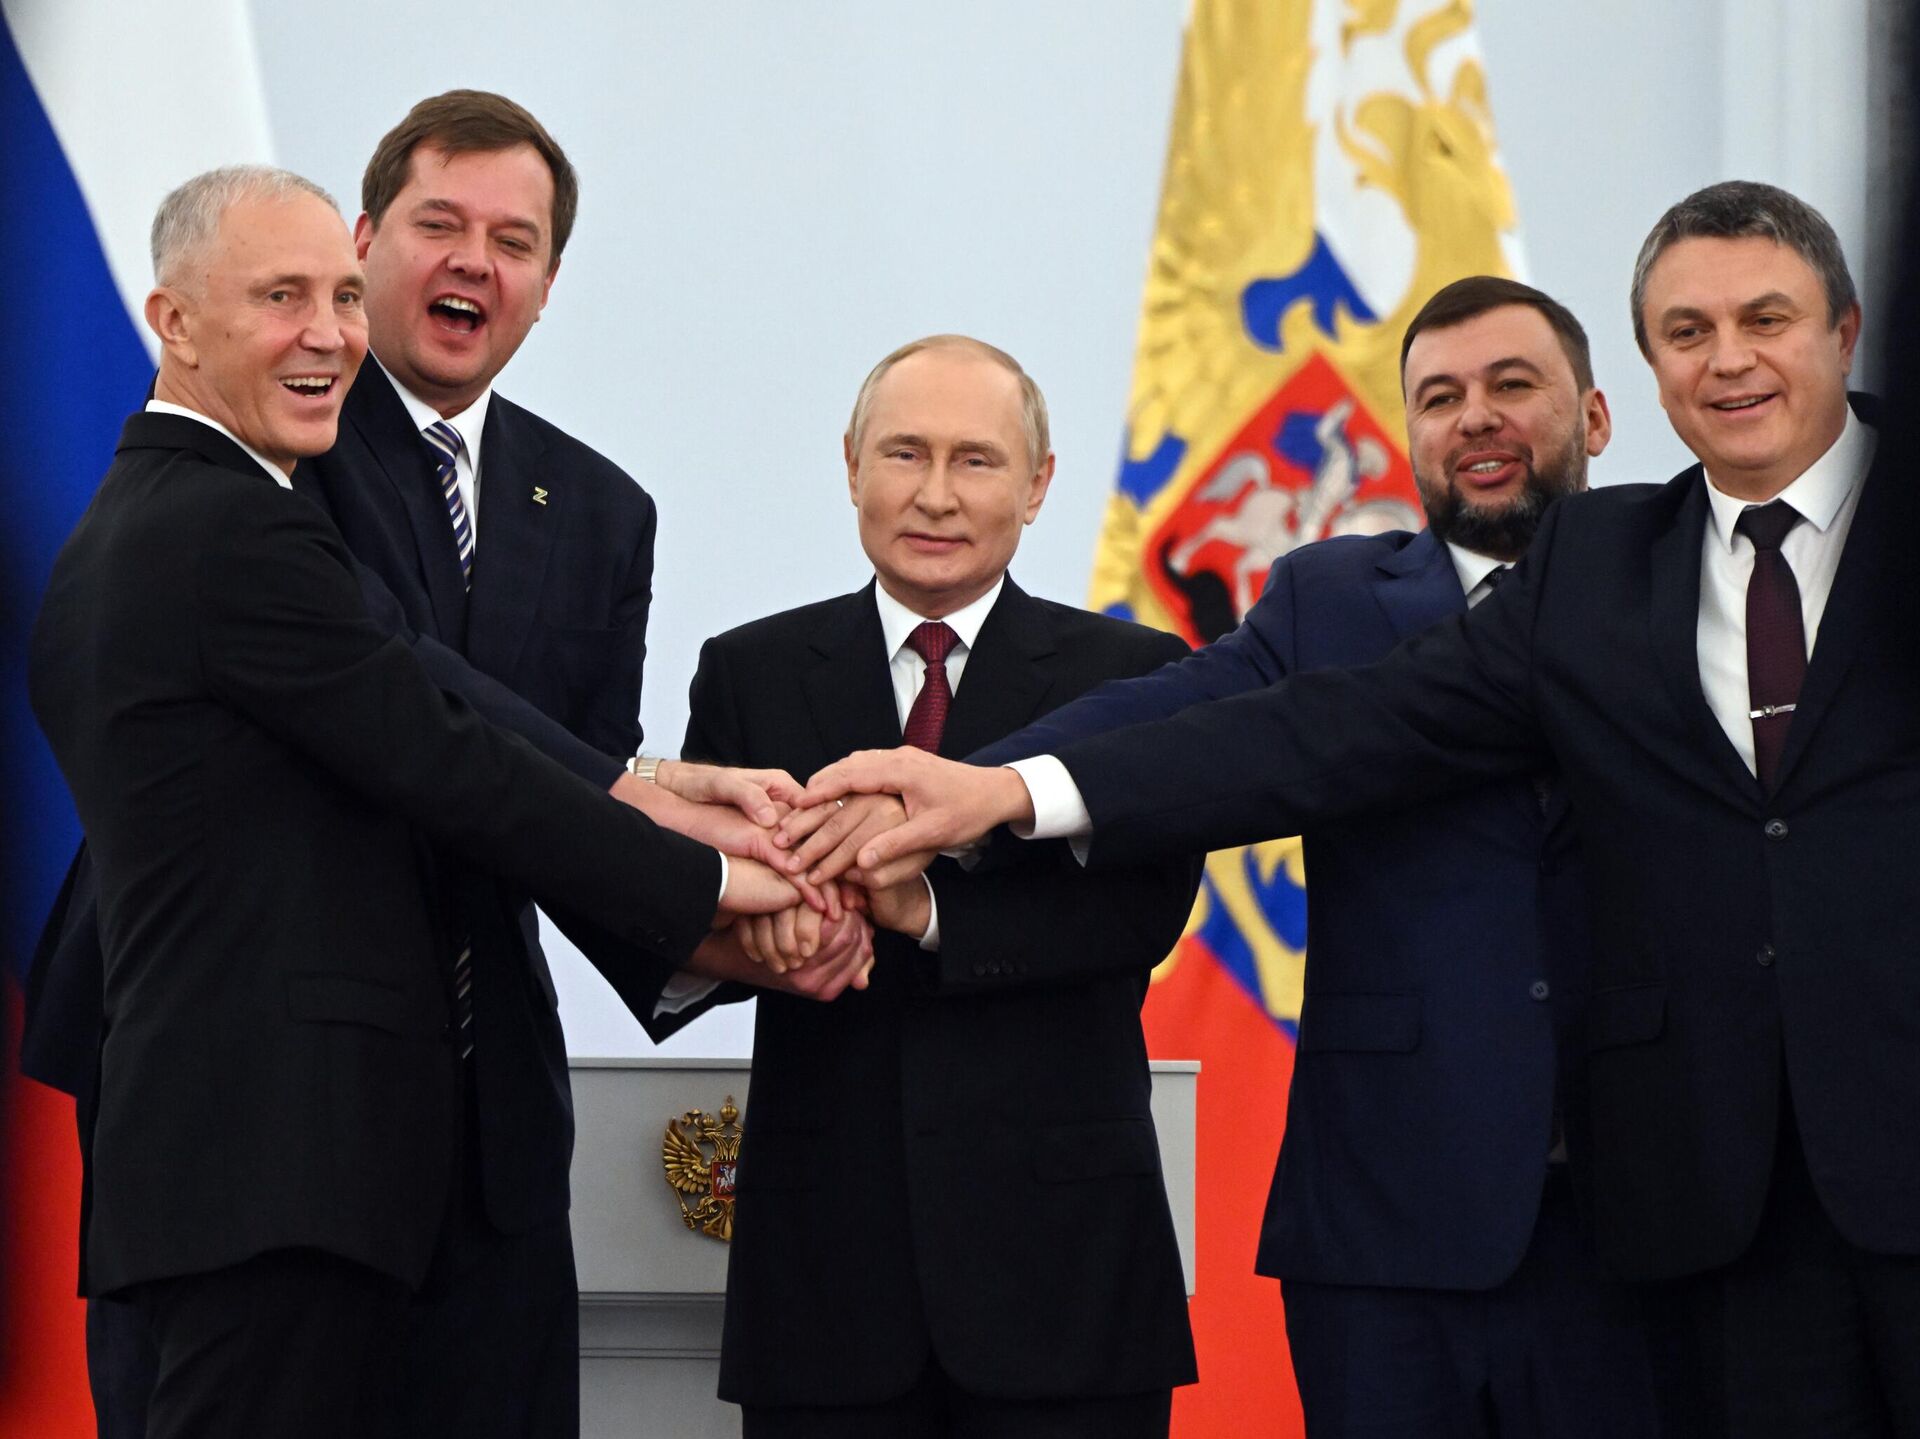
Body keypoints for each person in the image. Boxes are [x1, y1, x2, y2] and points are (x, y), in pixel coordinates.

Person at [787, 182, 1920, 1437]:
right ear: (1655, 366)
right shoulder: (1593, 571)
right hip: (1484, 1221)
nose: (1728, 358)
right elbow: (1289, 727)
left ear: (1846, 330)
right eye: (1689, 331)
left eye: (1765, 318)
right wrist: (1000, 786)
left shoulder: (1684, 549)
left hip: (1704, 1191)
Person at [26, 165, 839, 1439]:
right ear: (174, 322)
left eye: (339, 298)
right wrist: (726, 883)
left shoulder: (182, 511)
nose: (327, 332)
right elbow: (445, 753)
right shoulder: (234, 521)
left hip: (351, 1158)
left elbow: (468, 734)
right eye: (282, 296)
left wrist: (658, 804)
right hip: (267, 1158)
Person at [933, 276, 1651, 1436]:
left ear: (1598, 417)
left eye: (1512, 384)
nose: (1474, 416)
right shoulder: (1334, 599)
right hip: (1389, 1228)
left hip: (1650, 1223)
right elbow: (1179, 717)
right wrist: (972, 789)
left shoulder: (1684, 582)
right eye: (1439, 397)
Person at [683, 334, 1201, 1438]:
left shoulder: (1133, 674)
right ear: (851, 465)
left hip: (1064, 1279)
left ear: (1038, 485)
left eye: (975, 460)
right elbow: (690, 907)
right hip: (824, 1281)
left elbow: (1139, 913)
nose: (935, 494)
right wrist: (753, 933)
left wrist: (923, 910)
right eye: (904, 453)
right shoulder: (750, 670)